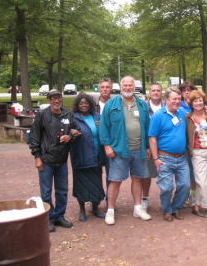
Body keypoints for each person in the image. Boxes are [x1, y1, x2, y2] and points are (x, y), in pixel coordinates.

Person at [99, 76, 152, 225]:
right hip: (119, 150)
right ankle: (110, 210)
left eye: (131, 85)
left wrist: (147, 146)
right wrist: (107, 145)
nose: (128, 88)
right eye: (125, 85)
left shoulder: (141, 104)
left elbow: (147, 126)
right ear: (120, 87)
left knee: (137, 178)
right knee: (115, 180)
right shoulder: (111, 104)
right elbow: (104, 126)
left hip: (138, 149)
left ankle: (137, 208)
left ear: (134, 87)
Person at [29, 89, 80, 232]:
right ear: (48, 100)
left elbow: (77, 130)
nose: (56, 100)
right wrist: (37, 157)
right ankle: (49, 219)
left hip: (62, 160)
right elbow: (34, 137)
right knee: (46, 192)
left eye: (58, 98)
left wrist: (70, 136)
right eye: (53, 98)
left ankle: (59, 216)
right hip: (46, 160)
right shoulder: (42, 115)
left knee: (62, 190)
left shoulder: (68, 114)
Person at [149, 87, 190, 222]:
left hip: (181, 157)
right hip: (164, 158)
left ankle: (176, 208)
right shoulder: (158, 116)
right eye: (174, 99)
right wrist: (155, 159)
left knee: (185, 185)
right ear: (166, 99)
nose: (177, 101)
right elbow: (152, 138)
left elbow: (197, 113)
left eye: (179, 99)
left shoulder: (182, 113)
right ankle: (167, 210)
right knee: (166, 187)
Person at [70, 93, 105, 222]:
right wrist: (72, 132)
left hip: (96, 156)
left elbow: (105, 132)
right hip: (81, 156)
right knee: (81, 185)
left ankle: (95, 208)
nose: (84, 105)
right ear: (77, 105)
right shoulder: (73, 119)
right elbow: (67, 133)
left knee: (96, 183)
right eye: (81, 103)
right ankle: (82, 210)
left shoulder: (97, 117)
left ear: (90, 104)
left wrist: (100, 126)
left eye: (86, 103)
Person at [185, 90, 207, 218]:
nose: (198, 103)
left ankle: (196, 204)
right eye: (195, 101)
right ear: (191, 103)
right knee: (202, 180)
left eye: (200, 100)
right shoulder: (188, 117)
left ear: (204, 101)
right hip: (197, 152)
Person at [140, 83, 164, 211]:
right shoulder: (143, 107)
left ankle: (164, 198)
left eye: (158, 90)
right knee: (146, 174)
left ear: (162, 92)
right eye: (153, 90)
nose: (156, 92)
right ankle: (145, 198)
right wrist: (146, 146)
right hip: (149, 146)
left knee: (165, 173)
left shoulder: (167, 106)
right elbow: (141, 127)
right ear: (150, 92)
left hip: (164, 146)